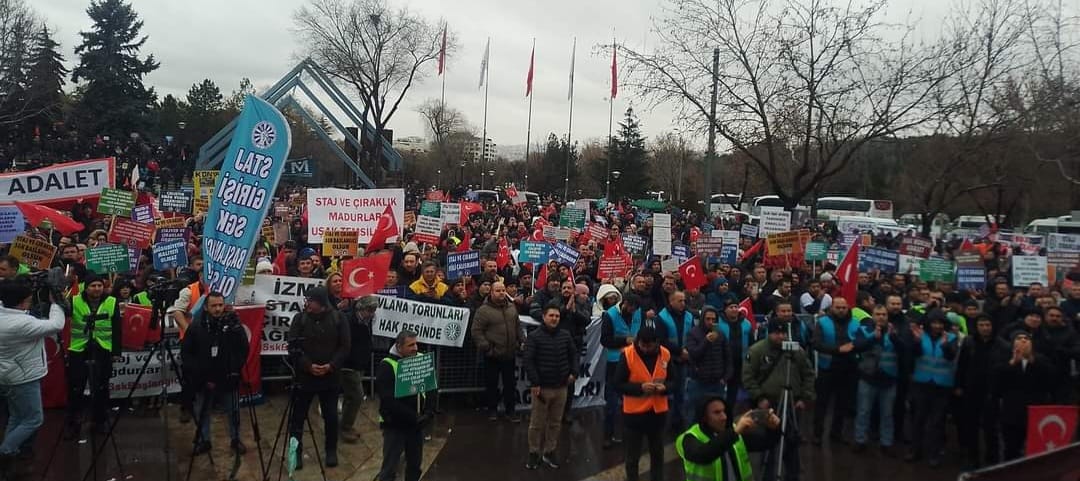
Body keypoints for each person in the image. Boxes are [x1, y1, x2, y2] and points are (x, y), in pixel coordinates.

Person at [0, 278, 65, 476]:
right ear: (20, 302)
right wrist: (55, 303)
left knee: (17, 416)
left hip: (9, 374)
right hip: (22, 377)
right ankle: (5, 451)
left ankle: (11, 449)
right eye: (28, 299)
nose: (31, 302)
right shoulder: (21, 323)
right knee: (34, 419)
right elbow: (56, 325)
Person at [743, 319, 815, 481]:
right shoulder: (757, 350)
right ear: (770, 333)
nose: (781, 337)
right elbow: (748, 377)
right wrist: (759, 397)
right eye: (777, 333)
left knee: (791, 441)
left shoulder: (796, 351)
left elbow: (809, 374)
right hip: (768, 404)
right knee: (768, 441)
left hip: (792, 403)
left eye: (783, 333)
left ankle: (793, 474)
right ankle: (767, 474)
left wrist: (805, 397)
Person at [287, 286, 351, 469]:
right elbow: (293, 347)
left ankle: (331, 450)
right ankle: (295, 453)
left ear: (321, 303)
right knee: (297, 418)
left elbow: (345, 346)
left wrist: (331, 366)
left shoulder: (339, 318)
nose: (307, 303)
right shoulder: (300, 319)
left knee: (331, 417)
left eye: (311, 301)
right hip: (304, 379)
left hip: (330, 378)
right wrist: (308, 365)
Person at [181, 292, 249, 455]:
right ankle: (204, 440)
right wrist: (200, 375)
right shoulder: (196, 327)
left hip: (227, 377)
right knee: (202, 412)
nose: (218, 309)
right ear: (206, 307)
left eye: (220, 305)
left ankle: (235, 439)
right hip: (203, 380)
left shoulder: (232, 325)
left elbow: (243, 349)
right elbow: (187, 354)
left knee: (233, 411)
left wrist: (234, 369)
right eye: (214, 306)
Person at [65, 272, 122, 438]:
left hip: (103, 349)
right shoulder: (74, 300)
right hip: (79, 349)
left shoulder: (112, 302)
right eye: (93, 286)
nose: (97, 289)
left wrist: (116, 351)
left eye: (99, 286)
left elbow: (117, 329)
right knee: (76, 387)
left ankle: (100, 421)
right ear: (86, 287)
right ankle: (73, 423)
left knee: (101, 388)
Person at [615, 326, 673, 481]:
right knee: (632, 457)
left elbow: (674, 381)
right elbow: (617, 384)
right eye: (642, 345)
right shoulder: (627, 355)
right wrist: (639, 388)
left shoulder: (665, 354)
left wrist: (665, 388)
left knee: (657, 454)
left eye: (650, 346)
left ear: (656, 343)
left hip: (658, 413)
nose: (645, 349)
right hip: (634, 415)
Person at [523, 305, 578, 470]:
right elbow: (529, 360)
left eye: (557, 316)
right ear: (544, 317)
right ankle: (533, 453)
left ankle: (549, 451)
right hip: (542, 388)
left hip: (561, 387)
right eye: (551, 315)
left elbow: (573, 355)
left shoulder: (565, 335)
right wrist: (535, 382)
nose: (554, 318)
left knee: (555, 422)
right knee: (537, 423)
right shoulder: (534, 337)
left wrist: (574, 373)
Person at [375, 330, 432, 481]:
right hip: (395, 424)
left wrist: (429, 411)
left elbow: (431, 388)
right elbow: (388, 400)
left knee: (415, 465)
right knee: (390, 466)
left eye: (416, 344)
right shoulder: (387, 365)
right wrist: (413, 417)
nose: (415, 348)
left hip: (416, 424)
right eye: (410, 345)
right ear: (399, 347)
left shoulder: (420, 359)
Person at [906, 309, 959, 468]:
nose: (936, 326)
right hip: (922, 383)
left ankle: (934, 454)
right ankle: (915, 450)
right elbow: (914, 355)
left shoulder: (951, 338)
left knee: (937, 422)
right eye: (934, 323)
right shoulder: (920, 336)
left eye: (940, 323)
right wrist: (915, 342)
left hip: (942, 386)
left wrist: (945, 346)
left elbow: (952, 356)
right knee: (918, 420)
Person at [676, 396, 775, 481]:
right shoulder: (689, 438)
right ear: (704, 417)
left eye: (724, 411)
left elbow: (767, 443)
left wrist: (774, 428)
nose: (724, 417)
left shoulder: (733, 431)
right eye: (717, 412)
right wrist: (735, 432)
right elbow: (703, 455)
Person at [955, 314, 1008, 469]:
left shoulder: (1002, 345)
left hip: (992, 391)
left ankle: (992, 457)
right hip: (971, 390)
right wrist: (958, 385)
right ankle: (973, 458)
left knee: (991, 427)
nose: (985, 328)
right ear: (977, 327)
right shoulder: (969, 342)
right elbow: (961, 366)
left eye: (988, 325)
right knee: (970, 426)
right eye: (982, 325)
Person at [996, 330, 1055, 460]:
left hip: (1035, 411)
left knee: (1035, 450)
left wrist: (1032, 360)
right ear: (1012, 342)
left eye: (1026, 339)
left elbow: (1050, 380)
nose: (1023, 341)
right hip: (1011, 412)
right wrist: (1012, 363)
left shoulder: (1041, 359)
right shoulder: (1004, 358)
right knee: (1011, 449)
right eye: (1019, 338)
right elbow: (996, 383)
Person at [851, 305, 900, 455]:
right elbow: (857, 346)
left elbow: (904, 350)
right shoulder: (864, 329)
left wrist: (894, 338)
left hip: (889, 378)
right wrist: (873, 337)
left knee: (887, 414)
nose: (881, 317)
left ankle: (887, 443)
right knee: (863, 411)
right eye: (878, 314)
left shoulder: (894, 331)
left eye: (884, 314)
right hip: (868, 377)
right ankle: (860, 440)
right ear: (872, 315)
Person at [472, 281, 524, 422]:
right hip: (492, 355)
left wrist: (522, 341)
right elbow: (477, 332)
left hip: (509, 353)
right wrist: (487, 347)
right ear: (492, 293)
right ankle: (492, 410)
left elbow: (517, 326)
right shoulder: (483, 311)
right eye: (498, 290)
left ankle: (510, 411)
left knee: (510, 385)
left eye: (503, 290)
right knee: (492, 385)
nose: (501, 293)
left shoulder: (511, 308)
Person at [811, 297, 859, 445]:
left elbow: (860, 343)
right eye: (838, 307)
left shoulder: (855, 323)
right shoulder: (823, 322)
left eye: (843, 307)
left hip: (848, 368)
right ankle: (817, 434)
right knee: (822, 403)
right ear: (832, 308)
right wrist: (837, 350)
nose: (841, 310)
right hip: (827, 368)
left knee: (842, 404)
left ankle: (836, 433)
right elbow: (816, 343)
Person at [599, 294, 644, 448]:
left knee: (631, 401)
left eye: (635, 309)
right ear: (624, 303)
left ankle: (629, 434)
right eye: (631, 308)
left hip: (633, 360)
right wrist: (625, 340)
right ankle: (607, 435)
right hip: (615, 361)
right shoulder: (610, 315)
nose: (633, 311)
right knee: (612, 403)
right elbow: (605, 340)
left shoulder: (638, 312)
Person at [684, 306, 730, 429]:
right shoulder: (693, 333)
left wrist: (725, 377)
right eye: (708, 319)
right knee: (693, 415)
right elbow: (693, 354)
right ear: (702, 319)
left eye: (713, 319)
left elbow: (727, 357)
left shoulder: (721, 334)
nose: (710, 322)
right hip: (699, 382)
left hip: (717, 382)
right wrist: (706, 341)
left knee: (718, 415)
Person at [341, 296, 376, 444]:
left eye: (374, 310)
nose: (372, 313)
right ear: (360, 309)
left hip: (359, 363)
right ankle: (346, 427)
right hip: (348, 364)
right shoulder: (348, 320)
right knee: (356, 395)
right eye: (369, 310)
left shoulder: (367, 321)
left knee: (350, 396)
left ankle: (344, 423)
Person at [658, 290, 695, 430]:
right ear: (671, 301)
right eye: (680, 301)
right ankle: (661, 418)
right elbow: (661, 340)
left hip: (683, 359)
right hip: (667, 360)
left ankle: (677, 419)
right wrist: (679, 351)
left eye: (684, 301)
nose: (683, 304)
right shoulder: (662, 317)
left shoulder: (689, 316)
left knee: (680, 391)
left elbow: (692, 336)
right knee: (665, 390)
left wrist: (687, 352)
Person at [718, 298, 753, 420]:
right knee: (721, 392)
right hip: (723, 363)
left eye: (736, 307)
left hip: (741, 362)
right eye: (731, 307)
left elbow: (752, 343)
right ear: (725, 309)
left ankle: (730, 416)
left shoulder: (746, 324)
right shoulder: (718, 324)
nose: (734, 309)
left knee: (734, 392)